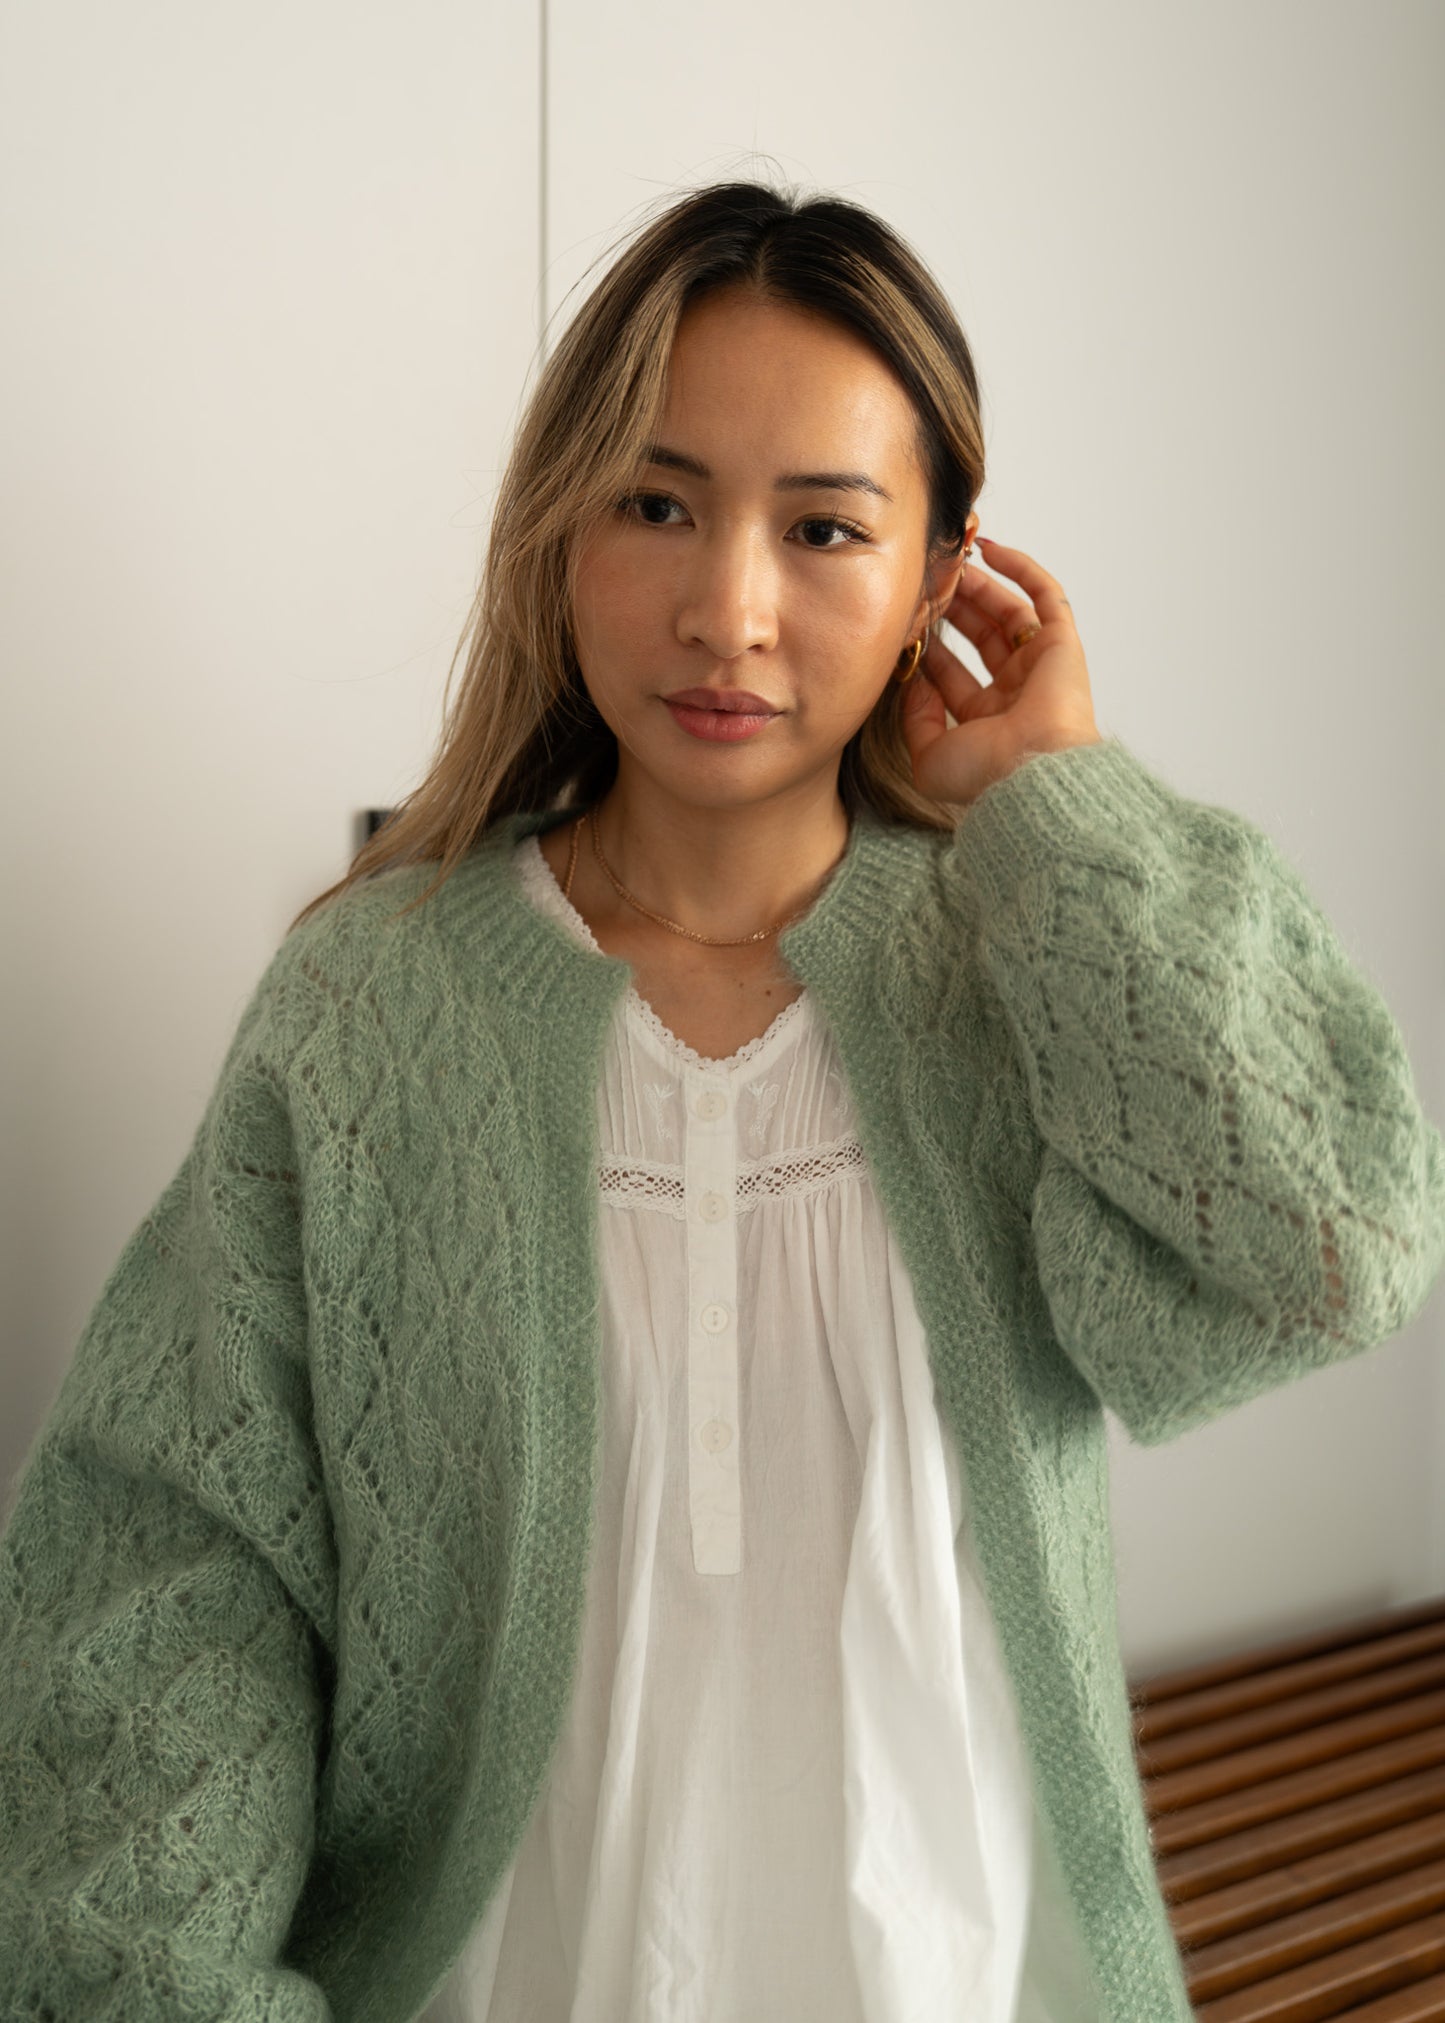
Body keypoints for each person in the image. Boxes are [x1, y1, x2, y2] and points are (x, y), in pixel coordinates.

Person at [3, 179, 1443, 2023]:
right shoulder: (370, 1008)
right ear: (561, 530)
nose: (726, 608)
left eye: (824, 529)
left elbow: (1323, 1249)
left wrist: (1056, 812)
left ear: (944, 579)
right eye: (657, 503)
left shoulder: (1021, 971)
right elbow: (172, 1566)